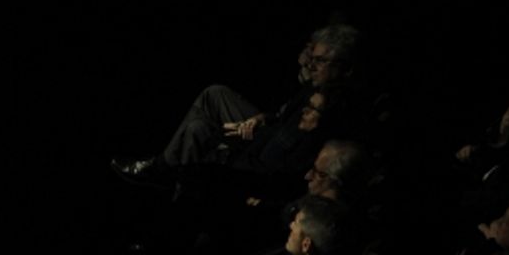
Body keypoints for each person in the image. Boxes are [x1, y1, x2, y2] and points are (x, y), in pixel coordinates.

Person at [112, 24, 361, 185]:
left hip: (260, 159)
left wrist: (240, 142)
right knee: (214, 94)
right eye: (312, 57)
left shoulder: (331, 110)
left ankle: (161, 172)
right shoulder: (314, 88)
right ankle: (163, 169)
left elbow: (283, 161)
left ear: (346, 67)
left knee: (197, 129)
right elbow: (283, 118)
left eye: (321, 61)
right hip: (266, 136)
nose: (311, 64)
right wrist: (260, 120)